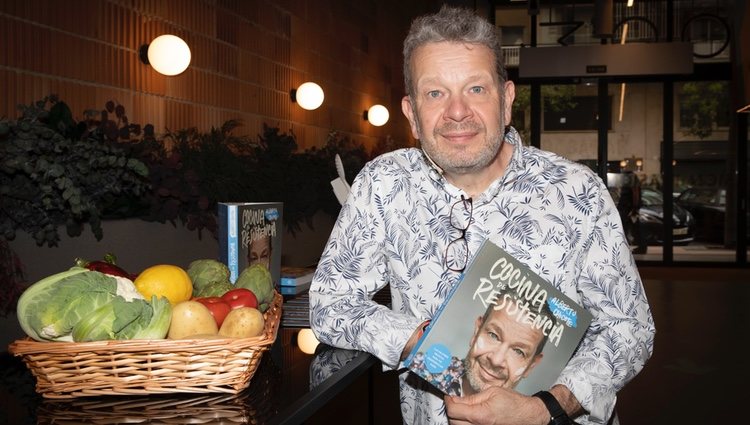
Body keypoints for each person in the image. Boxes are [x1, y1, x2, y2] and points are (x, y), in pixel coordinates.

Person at [309, 5, 655, 424]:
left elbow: (629, 329)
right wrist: (420, 343)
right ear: (411, 113)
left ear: (506, 101)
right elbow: (330, 302)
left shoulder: (577, 192)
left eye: (476, 89)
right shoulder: (384, 184)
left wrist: (545, 409)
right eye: (435, 93)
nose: (457, 112)